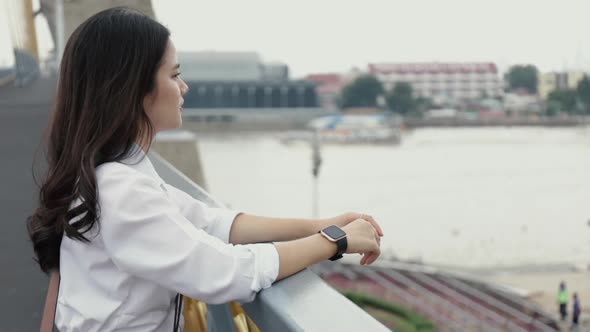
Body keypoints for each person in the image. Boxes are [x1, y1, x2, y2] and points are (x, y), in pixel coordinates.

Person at [26, 7, 383, 332]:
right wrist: (335, 241)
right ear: (135, 89)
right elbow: (224, 272)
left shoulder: (114, 174)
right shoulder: (121, 189)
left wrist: (320, 226)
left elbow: (214, 223)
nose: (185, 87)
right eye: (174, 75)